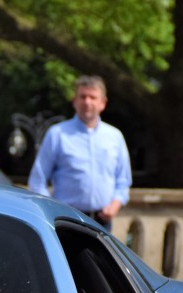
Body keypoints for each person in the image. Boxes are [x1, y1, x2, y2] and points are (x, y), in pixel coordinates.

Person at [27, 75, 132, 227]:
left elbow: (123, 182)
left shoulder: (114, 137)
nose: (87, 102)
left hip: (103, 221)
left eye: (92, 97)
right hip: (66, 219)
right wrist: (51, 210)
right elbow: (37, 180)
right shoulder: (57, 134)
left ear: (103, 103)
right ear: (74, 101)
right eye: (82, 97)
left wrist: (115, 205)